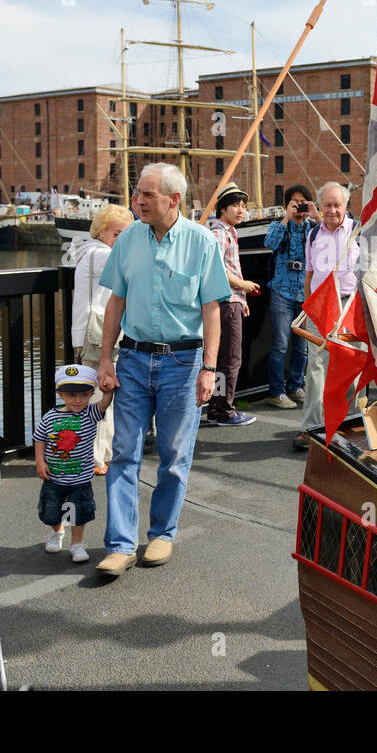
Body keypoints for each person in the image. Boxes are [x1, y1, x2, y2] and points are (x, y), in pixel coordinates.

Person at [94, 162, 230, 577]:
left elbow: (212, 310)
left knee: (173, 454)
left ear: (174, 200)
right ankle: (119, 544)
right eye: (137, 194)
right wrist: (105, 359)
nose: (138, 201)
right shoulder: (129, 239)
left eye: (147, 195)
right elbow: (116, 301)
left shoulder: (202, 241)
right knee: (123, 453)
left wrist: (209, 369)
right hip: (133, 359)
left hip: (183, 363)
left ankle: (161, 534)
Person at [69, 203, 135, 474]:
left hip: (94, 331)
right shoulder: (101, 254)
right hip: (97, 331)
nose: (122, 239)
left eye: (126, 234)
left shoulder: (92, 252)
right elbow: (132, 271)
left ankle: (101, 454)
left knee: (101, 392)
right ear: (102, 232)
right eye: (118, 233)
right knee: (100, 394)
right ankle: (95, 458)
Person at [293, 181, 359, 452]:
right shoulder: (313, 235)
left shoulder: (359, 232)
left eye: (337, 205)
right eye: (327, 205)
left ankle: (351, 426)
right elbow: (309, 272)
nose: (332, 210)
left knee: (351, 366)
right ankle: (311, 428)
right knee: (317, 367)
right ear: (318, 207)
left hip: (350, 304)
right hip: (319, 306)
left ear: (345, 206)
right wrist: (307, 305)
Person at [35, 364, 114, 564]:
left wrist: (108, 391)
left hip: (81, 479)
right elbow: (40, 438)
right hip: (54, 477)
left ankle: (77, 544)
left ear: (90, 395)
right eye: (71, 395)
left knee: (79, 512)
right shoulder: (50, 416)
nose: (77, 400)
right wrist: (40, 461)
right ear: (60, 395)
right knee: (51, 511)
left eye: (84, 395)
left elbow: (104, 404)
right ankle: (58, 532)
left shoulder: (90, 413)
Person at [206, 182, 259, 426]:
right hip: (228, 302)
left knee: (223, 359)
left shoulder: (225, 232)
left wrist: (242, 299)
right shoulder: (219, 233)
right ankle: (223, 411)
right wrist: (242, 285)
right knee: (231, 359)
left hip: (230, 302)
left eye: (243, 206)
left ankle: (218, 408)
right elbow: (215, 269)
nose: (241, 210)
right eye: (235, 205)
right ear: (222, 208)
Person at [262, 185, 319, 409]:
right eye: (294, 203)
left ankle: (296, 386)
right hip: (282, 293)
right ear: (286, 205)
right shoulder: (280, 226)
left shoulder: (314, 229)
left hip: (305, 294)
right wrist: (286, 218)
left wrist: (317, 216)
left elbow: (332, 242)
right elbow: (269, 244)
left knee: (301, 346)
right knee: (280, 345)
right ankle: (276, 392)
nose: (298, 207)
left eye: (302, 202)